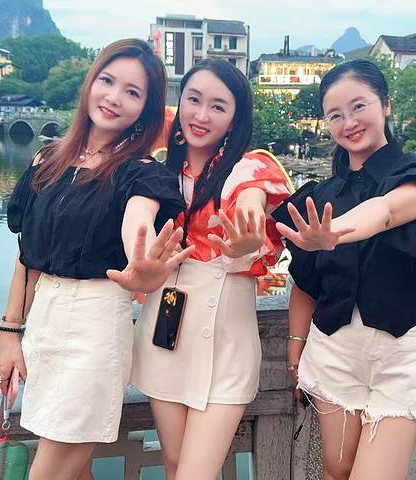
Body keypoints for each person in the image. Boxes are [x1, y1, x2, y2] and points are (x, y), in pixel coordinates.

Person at [0, 39, 192, 480]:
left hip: (94, 327)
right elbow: (27, 256)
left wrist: (142, 263)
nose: (114, 97)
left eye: (132, 92)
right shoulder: (47, 159)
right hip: (43, 324)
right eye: (107, 81)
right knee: (75, 470)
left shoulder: (140, 172)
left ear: (145, 109)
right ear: (90, 83)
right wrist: (10, 335)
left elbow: (137, 223)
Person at [272, 59, 416, 480]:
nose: (348, 122)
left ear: (386, 104)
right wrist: (295, 346)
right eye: (335, 114)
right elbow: (306, 282)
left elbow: (384, 213)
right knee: (336, 469)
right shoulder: (320, 196)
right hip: (332, 350)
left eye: (358, 106)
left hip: (398, 358)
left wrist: (333, 235)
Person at [123, 59, 291, 480]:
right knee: (174, 464)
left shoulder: (248, 167)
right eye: (194, 100)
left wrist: (249, 237)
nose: (201, 115)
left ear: (235, 118)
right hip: (165, 333)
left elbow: (250, 198)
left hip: (227, 346)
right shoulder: (160, 174)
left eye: (218, 106)